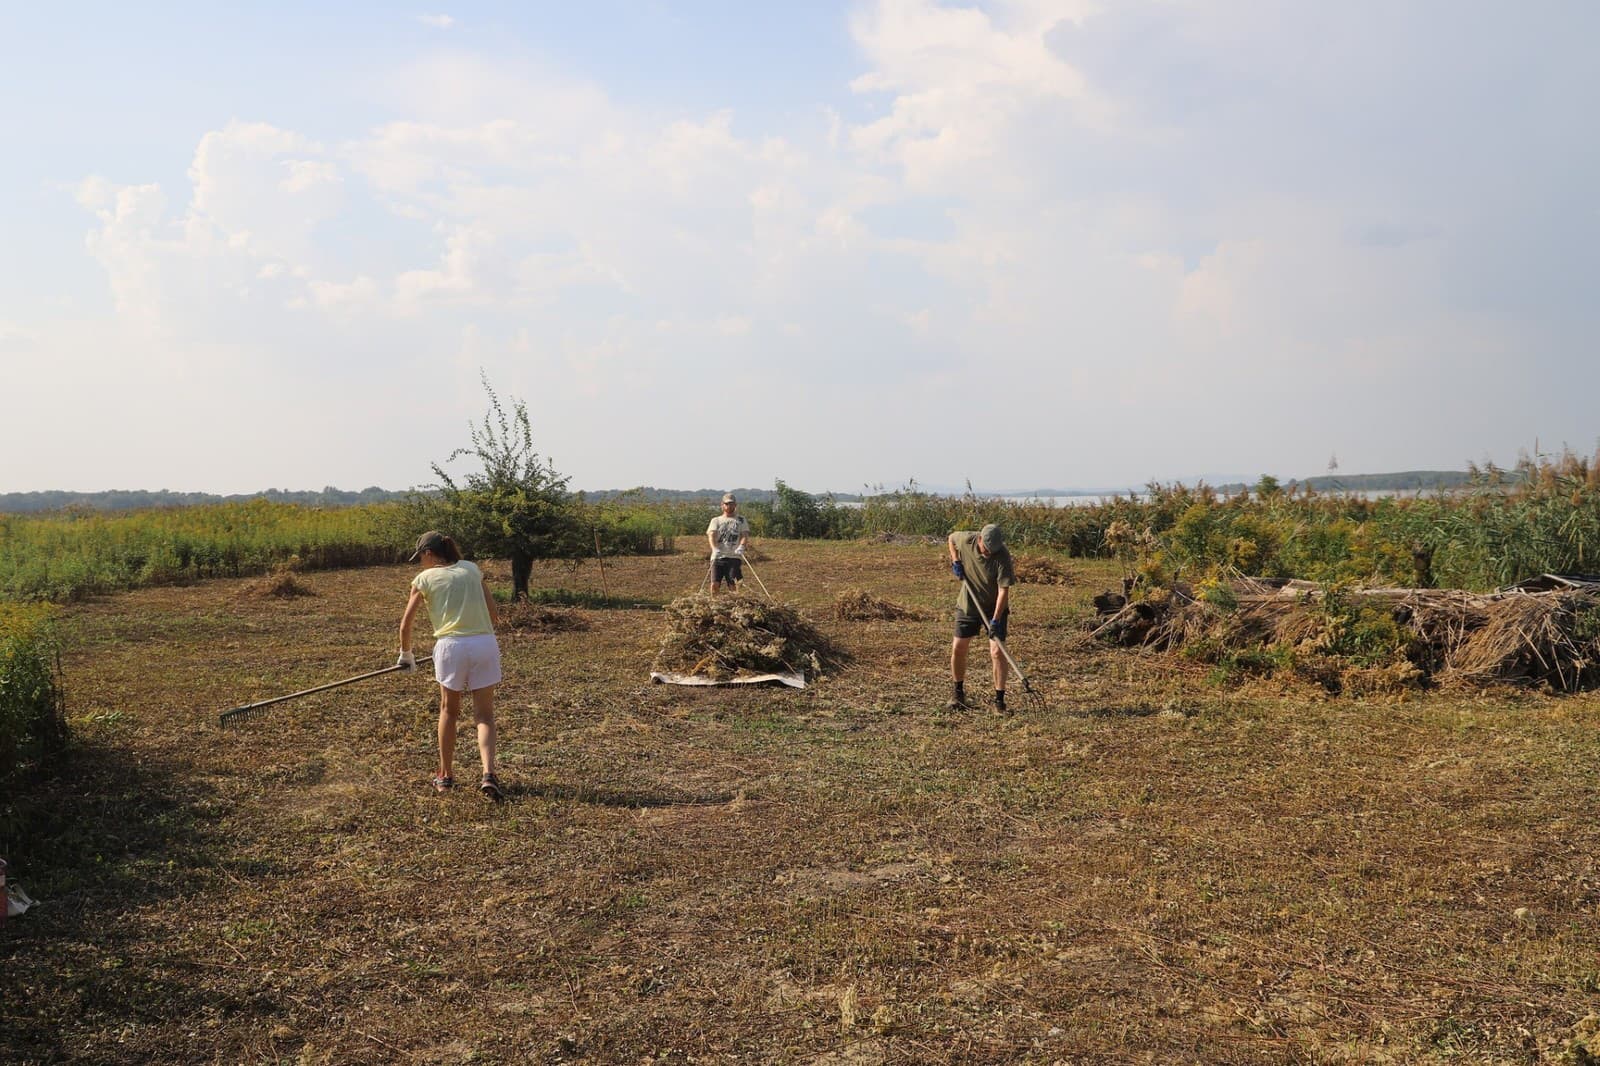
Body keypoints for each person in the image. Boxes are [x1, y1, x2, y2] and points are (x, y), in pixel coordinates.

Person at [398, 531, 505, 800]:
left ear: (429, 554)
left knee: (449, 710)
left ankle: (445, 775)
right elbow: (494, 614)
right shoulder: (471, 569)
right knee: (484, 715)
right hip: (485, 643)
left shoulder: (424, 579)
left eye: (420, 557)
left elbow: (406, 623)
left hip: (450, 647)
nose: (420, 562)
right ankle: (488, 774)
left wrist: (406, 654)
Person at [946, 523, 1016, 711]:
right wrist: (955, 561)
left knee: (997, 651)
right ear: (979, 540)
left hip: (995, 608)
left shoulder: (1002, 556)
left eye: (993, 551)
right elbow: (951, 538)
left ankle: (999, 701)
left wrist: (995, 619)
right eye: (986, 549)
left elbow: (1003, 591)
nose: (989, 554)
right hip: (968, 604)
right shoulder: (966, 539)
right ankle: (958, 693)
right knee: (958, 648)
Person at [706, 492, 751, 594]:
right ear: (722, 505)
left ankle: (736, 605)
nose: (729, 506)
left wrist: (742, 546)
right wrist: (714, 548)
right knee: (714, 584)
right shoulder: (716, 520)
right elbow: (711, 535)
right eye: (726, 504)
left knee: (733, 584)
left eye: (731, 504)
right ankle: (714, 605)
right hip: (718, 556)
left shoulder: (741, 520)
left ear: (735, 505)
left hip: (734, 556)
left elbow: (744, 535)